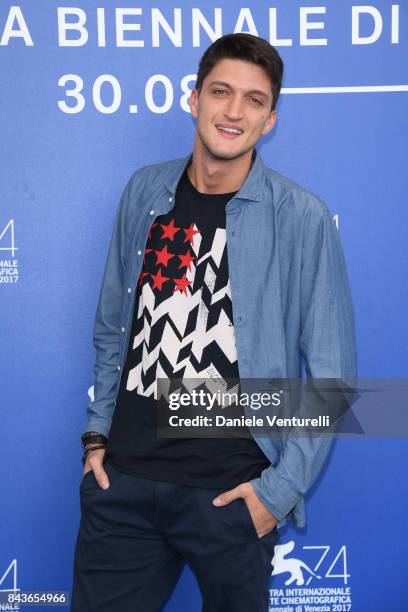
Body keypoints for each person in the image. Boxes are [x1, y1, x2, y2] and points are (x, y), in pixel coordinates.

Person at [71, 33, 356, 612]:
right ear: (194, 98)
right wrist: (98, 436)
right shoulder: (144, 192)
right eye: (221, 92)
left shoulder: (300, 216)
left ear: (271, 118)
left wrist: (276, 495)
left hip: (231, 498)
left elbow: (332, 376)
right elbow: (111, 327)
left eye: (254, 100)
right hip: (124, 485)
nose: (234, 111)